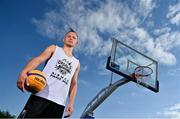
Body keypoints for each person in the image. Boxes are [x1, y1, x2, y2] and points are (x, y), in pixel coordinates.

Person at [17, 28, 80, 118]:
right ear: (64, 39)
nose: (71, 38)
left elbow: (74, 84)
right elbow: (38, 59)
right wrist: (24, 72)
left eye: (74, 37)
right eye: (68, 36)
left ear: (76, 42)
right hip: (40, 96)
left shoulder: (76, 63)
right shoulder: (54, 49)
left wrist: (71, 103)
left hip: (59, 104)